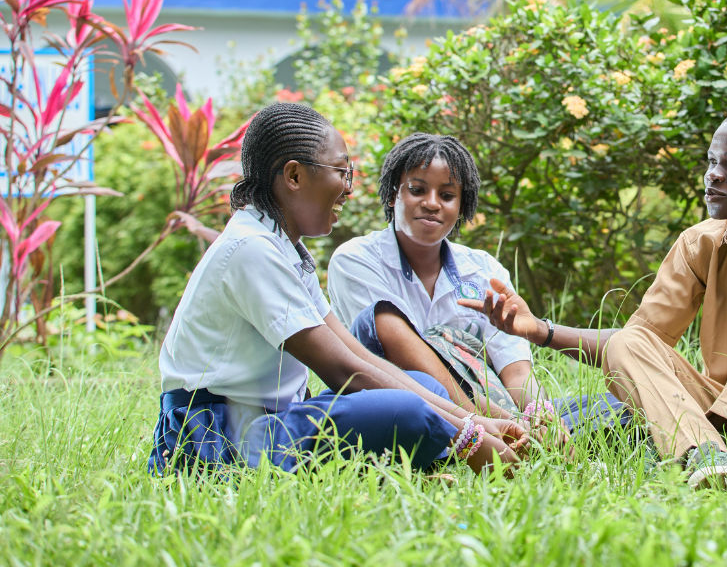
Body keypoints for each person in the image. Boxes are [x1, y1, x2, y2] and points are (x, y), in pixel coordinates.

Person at [461, 105, 727, 488]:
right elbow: (639, 349)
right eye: (712, 161)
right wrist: (540, 330)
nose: (714, 174)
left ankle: (709, 436)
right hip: (703, 402)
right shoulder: (698, 243)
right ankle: (708, 454)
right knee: (627, 341)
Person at [149, 103, 526, 475]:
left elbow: (353, 351)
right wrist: (469, 436)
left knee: (422, 385)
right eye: (341, 171)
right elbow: (343, 370)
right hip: (215, 438)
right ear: (294, 176)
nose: (348, 187)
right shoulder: (251, 249)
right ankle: (433, 455)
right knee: (405, 410)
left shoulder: (285, 249)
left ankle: (421, 460)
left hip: (272, 421)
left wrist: (468, 419)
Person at [328, 133, 620, 435]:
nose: (431, 204)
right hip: (408, 414)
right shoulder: (356, 262)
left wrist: (540, 418)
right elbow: (403, 367)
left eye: (446, 195)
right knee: (439, 340)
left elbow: (517, 371)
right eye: (417, 190)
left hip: (498, 409)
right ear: (393, 195)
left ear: (461, 205)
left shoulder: (483, 269)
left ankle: (552, 436)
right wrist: (504, 425)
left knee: (631, 404)